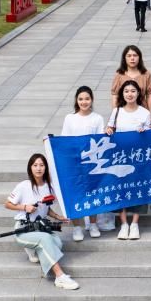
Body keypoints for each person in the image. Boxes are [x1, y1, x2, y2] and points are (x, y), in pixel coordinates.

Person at [5, 154, 79, 290]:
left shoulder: (49, 187)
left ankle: (33, 249)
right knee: (45, 240)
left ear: (45, 168)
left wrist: (58, 217)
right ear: (30, 168)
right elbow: (8, 204)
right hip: (23, 229)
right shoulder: (23, 186)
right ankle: (60, 277)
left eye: (41, 165)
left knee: (57, 243)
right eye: (35, 165)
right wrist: (24, 207)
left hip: (39, 227)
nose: (38, 168)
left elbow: (46, 208)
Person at [106, 80, 151, 239]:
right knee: (121, 189)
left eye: (133, 91)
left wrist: (144, 131)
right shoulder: (117, 111)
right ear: (122, 94)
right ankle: (124, 223)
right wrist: (109, 129)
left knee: (138, 187)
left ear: (138, 93)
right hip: (120, 158)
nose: (130, 94)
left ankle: (135, 223)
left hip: (139, 158)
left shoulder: (145, 113)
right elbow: (110, 129)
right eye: (126, 91)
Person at [59, 86, 107, 241]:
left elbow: (100, 141)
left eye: (87, 98)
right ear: (76, 101)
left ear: (91, 100)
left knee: (93, 194)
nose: (84, 102)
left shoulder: (97, 118)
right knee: (76, 195)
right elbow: (65, 140)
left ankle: (93, 224)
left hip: (92, 163)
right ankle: (77, 227)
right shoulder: (69, 118)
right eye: (80, 99)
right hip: (74, 163)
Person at [110, 45, 151, 111]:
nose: (132, 58)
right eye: (129, 56)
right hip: (124, 110)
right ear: (124, 58)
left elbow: (149, 95)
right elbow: (115, 95)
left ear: (139, 57)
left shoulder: (146, 74)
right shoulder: (119, 74)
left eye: (135, 55)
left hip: (142, 110)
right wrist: (114, 113)